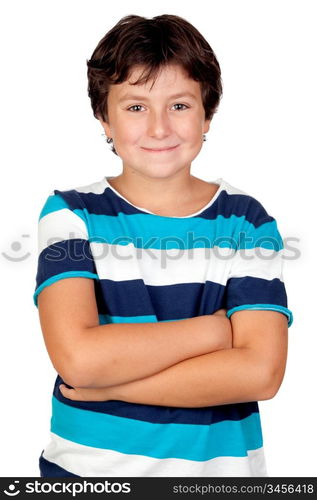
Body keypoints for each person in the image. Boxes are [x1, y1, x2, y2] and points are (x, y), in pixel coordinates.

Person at [33, 14, 293, 478]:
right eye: (135, 107)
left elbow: (260, 374)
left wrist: (107, 385)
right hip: (89, 475)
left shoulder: (247, 222)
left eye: (179, 105)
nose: (158, 128)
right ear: (103, 117)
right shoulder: (70, 215)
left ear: (207, 113)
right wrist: (215, 333)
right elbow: (78, 358)